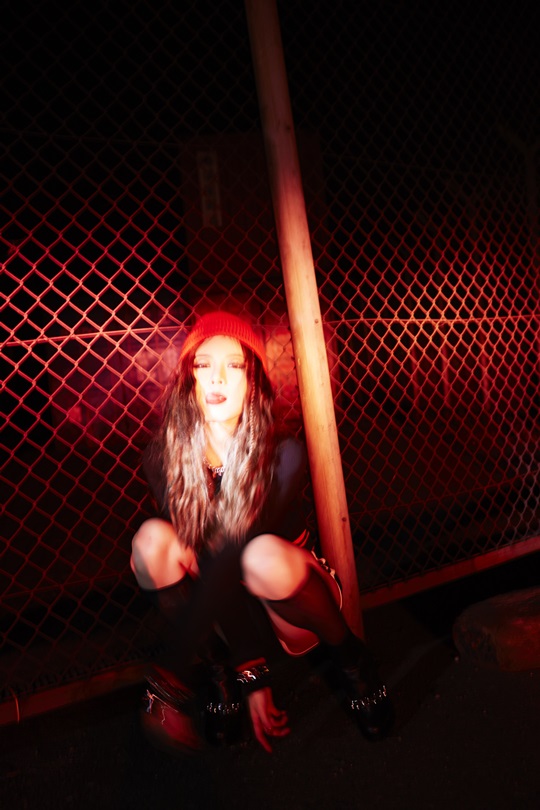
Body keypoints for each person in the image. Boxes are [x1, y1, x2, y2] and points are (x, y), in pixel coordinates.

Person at [130, 310, 392, 754]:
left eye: (233, 365)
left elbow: (232, 550)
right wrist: (247, 671)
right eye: (203, 364)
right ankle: (220, 677)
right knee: (153, 541)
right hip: (224, 602)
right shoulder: (163, 456)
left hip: (287, 597)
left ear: (252, 381)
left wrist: (179, 676)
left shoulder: (281, 453)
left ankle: (353, 662)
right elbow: (208, 561)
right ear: (188, 379)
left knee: (259, 555)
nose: (217, 378)